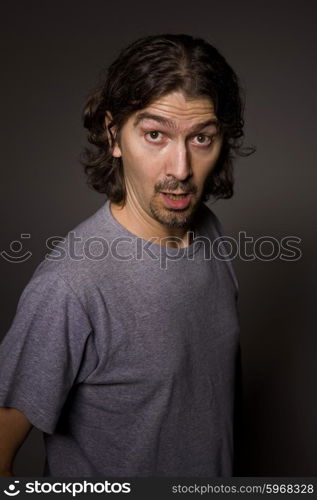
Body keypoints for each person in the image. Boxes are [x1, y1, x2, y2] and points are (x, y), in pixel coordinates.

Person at [0, 33, 248, 477]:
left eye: (201, 139)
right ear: (114, 135)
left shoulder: (210, 232)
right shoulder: (71, 285)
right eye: (155, 135)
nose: (180, 169)